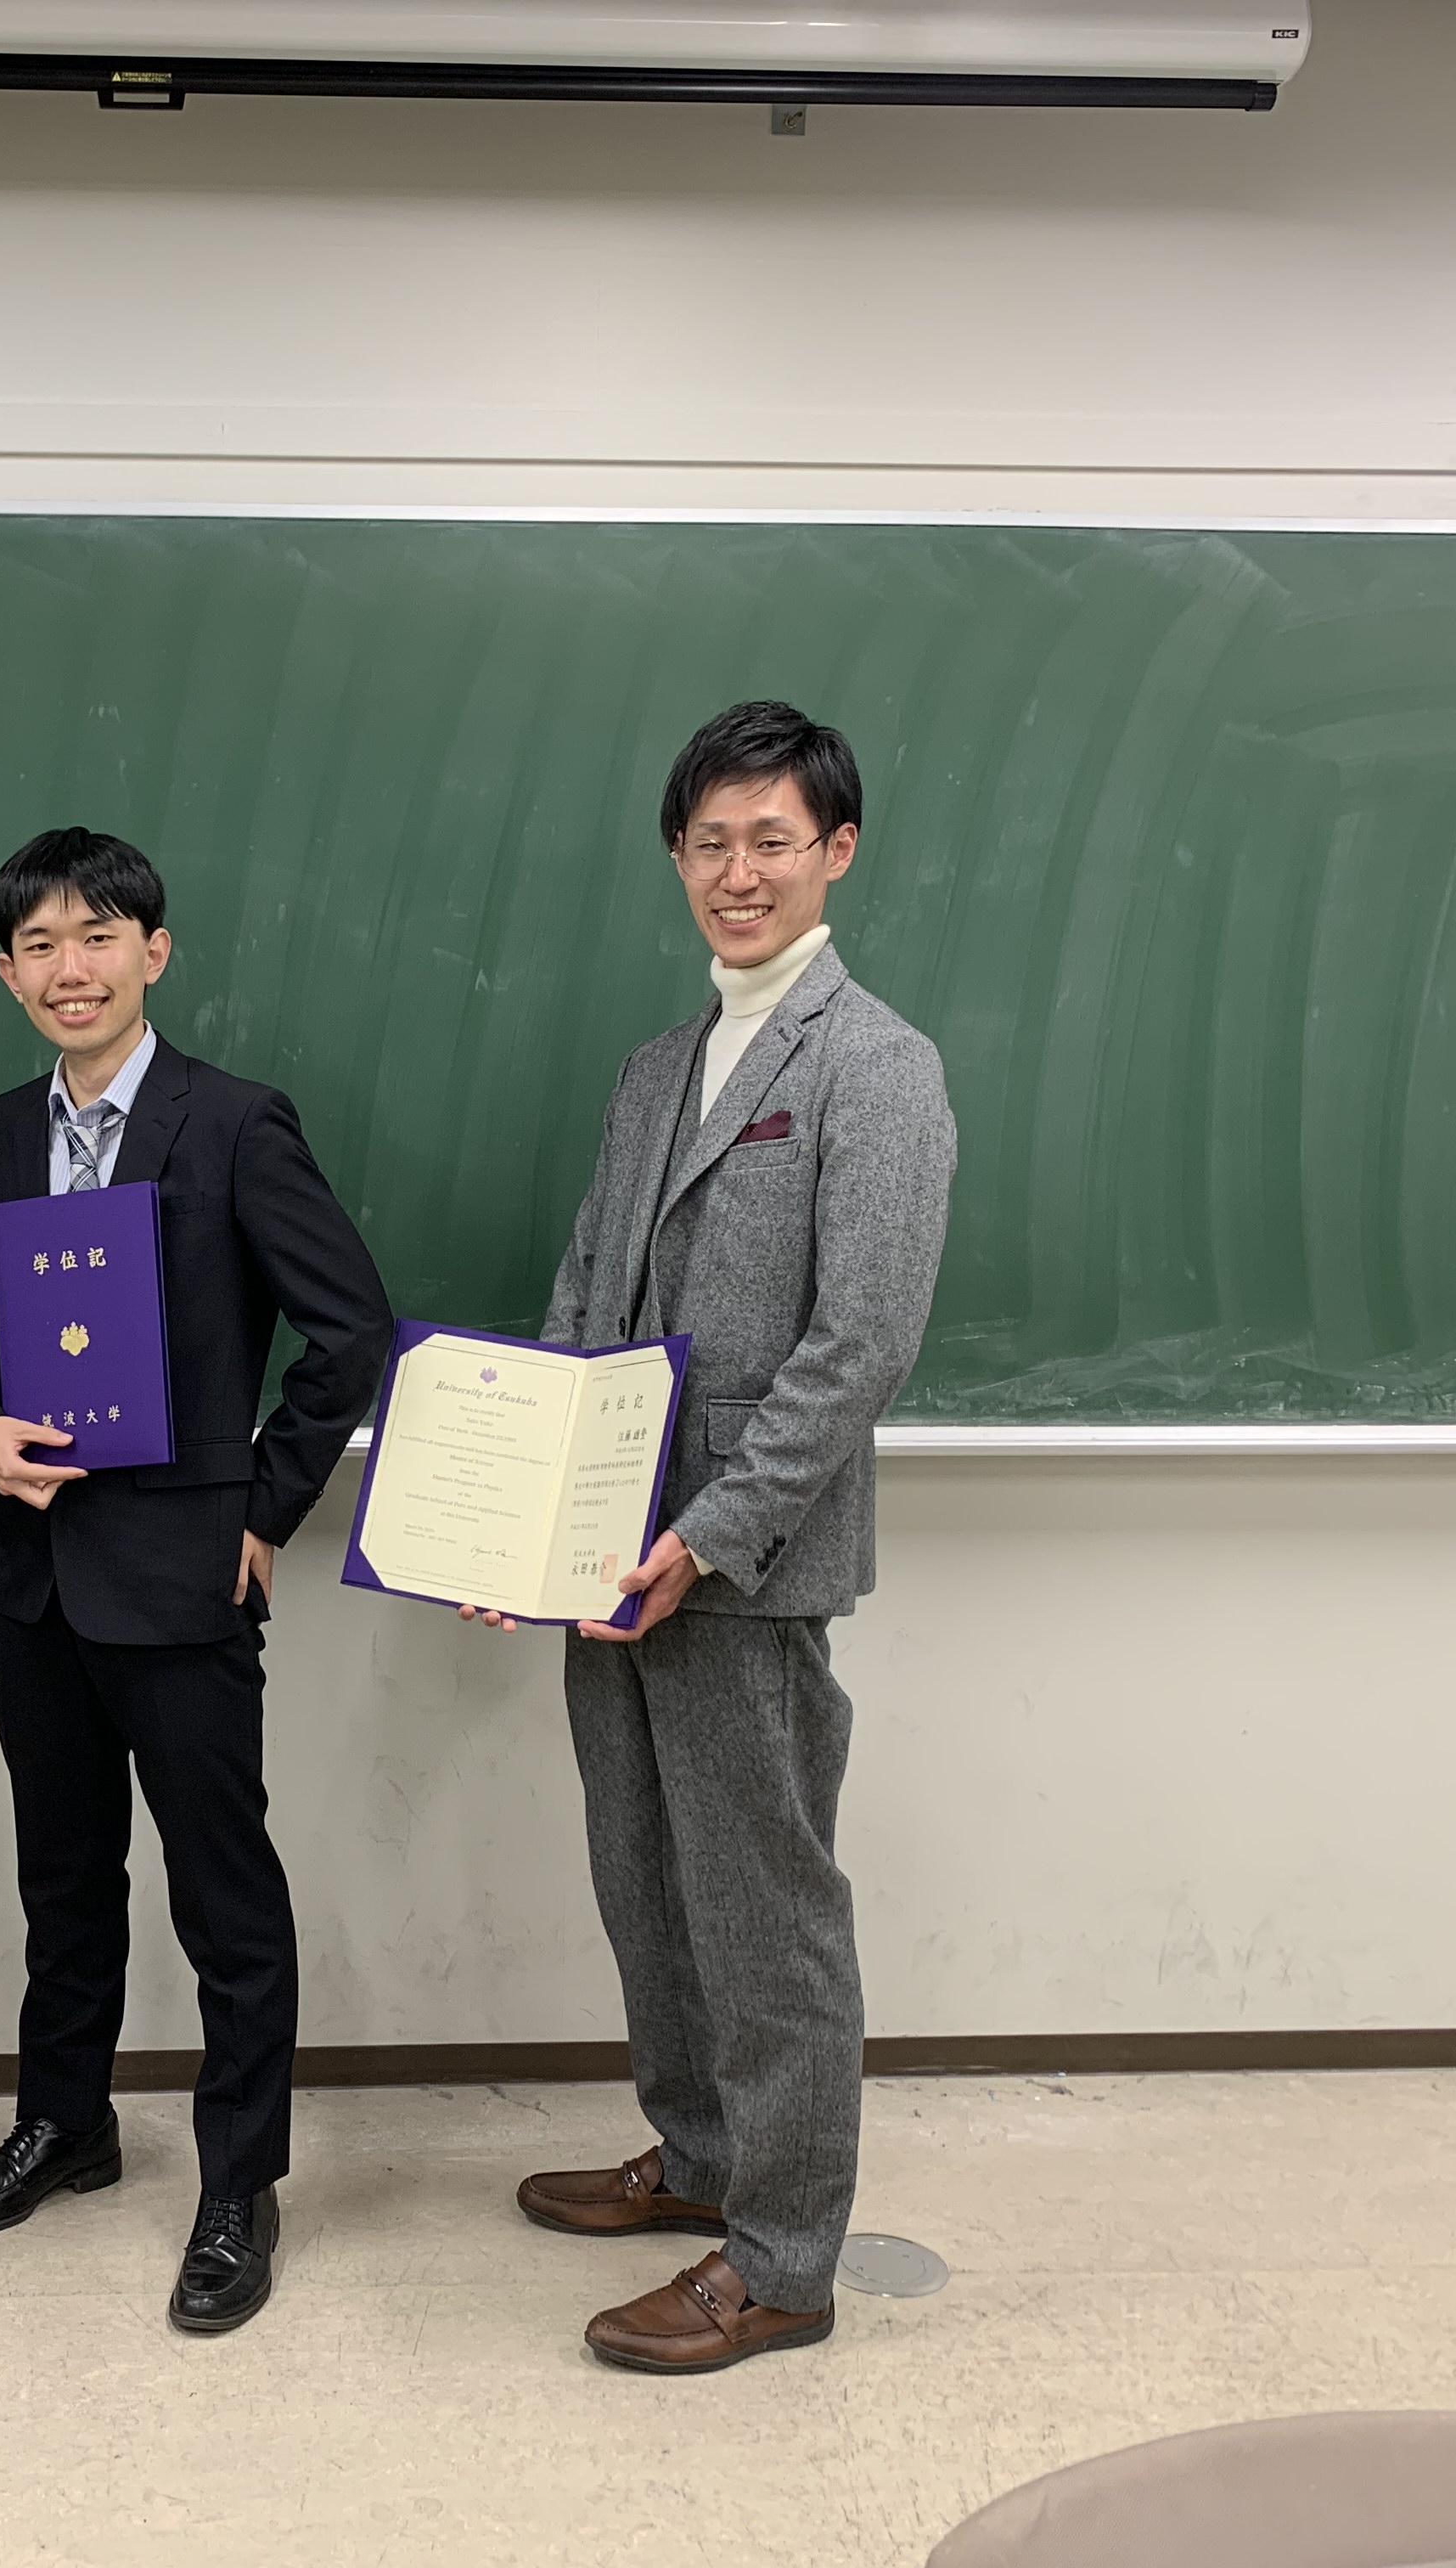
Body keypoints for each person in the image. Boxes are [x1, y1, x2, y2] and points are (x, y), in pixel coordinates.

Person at [477, 701, 955, 2375]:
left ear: (836, 850)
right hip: (609, 1571)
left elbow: (862, 1342)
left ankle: (785, 2259)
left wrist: (711, 1531)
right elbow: (583, 1293)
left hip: (740, 1573)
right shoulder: (655, 1070)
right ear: (677, 857)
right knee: (647, 1886)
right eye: (709, 842)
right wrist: (528, 1520)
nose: (737, 872)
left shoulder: (876, 1067)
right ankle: (697, 2159)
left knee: (767, 1920)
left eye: (772, 840)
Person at [0, 826, 391, 2334]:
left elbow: (350, 1330)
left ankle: (240, 2184)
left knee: (221, 1891)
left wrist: (265, 1506)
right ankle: (67, 2125)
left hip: (184, 1573)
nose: (72, 967)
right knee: (62, 1879)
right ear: (9, 974)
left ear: (154, 952)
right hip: (35, 1574)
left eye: (99, 936)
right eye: (41, 946)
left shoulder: (234, 1122)